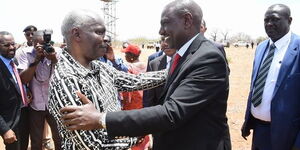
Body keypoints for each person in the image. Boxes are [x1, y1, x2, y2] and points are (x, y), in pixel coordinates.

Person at [60, 1, 231, 150]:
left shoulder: (207, 57)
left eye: (165, 23)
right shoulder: (68, 78)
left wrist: (101, 119)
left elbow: (171, 113)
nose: (161, 31)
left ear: (186, 21)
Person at [47, 9, 167, 150]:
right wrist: (135, 136)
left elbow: (134, 81)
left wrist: (172, 72)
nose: (105, 38)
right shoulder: (67, 81)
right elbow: (92, 145)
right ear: (77, 34)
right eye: (99, 32)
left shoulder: (99, 67)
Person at [241, 4, 300, 150]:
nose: (269, 24)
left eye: (275, 19)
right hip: (259, 131)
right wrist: (248, 120)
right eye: (266, 20)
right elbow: (255, 86)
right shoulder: (261, 47)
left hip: (287, 135)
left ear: (290, 20)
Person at [18, 30, 61, 150]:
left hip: (55, 103)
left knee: (59, 138)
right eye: (39, 44)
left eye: (45, 43)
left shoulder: (57, 52)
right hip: (35, 104)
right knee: (36, 141)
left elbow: (64, 74)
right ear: (33, 43)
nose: (43, 47)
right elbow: (24, 79)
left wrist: (54, 59)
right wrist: (36, 60)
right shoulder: (24, 53)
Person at [14, 25, 37, 150]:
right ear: (25, 36)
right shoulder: (20, 52)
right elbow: (19, 76)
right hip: (25, 95)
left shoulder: (44, 49)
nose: (31, 36)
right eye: (28, 34)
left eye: (33, 34)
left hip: (39, 96)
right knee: (23, 129)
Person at [0, 31, 22, 150]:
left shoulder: (14, 62)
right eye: (6, 45)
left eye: (13, 44)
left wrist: (25, 90)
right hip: (9, 122)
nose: (12, 47)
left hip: (22, 117)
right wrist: (5, 129)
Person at [143, 36, 176, 107]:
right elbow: (149, 96)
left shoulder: (187, 61)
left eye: (170, 39)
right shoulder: (154, 64)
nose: (166, 43)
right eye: (163, 40)